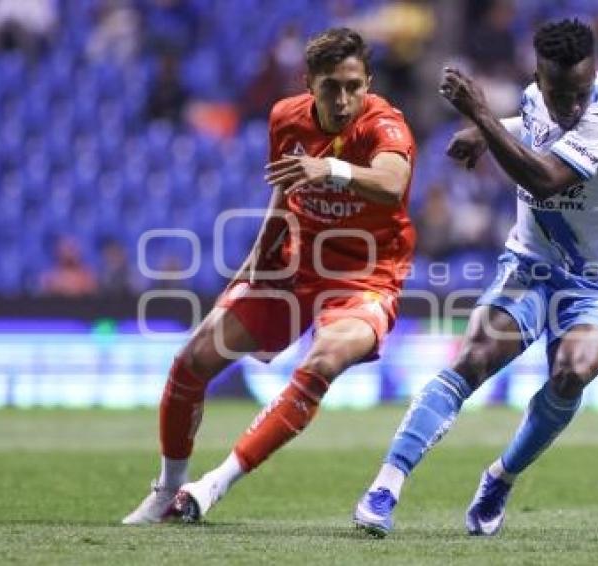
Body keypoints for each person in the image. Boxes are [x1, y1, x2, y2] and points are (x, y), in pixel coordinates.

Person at [354, 19, 598, 537]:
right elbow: (531, 120)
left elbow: (546, 179)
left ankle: (500, 478)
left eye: (580, 94)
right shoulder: (536, 98)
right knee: (475, 357)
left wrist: (479, 116)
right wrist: (490, 131)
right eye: (560, 94)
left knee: (571, 372)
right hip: (531, 265)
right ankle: (385, 486)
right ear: (538, 75)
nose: (570, 107)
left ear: (594, 76)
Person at [123, 27, 417, 524]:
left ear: (368, 82)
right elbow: (285, 191)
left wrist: (335, 171)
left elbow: (392, 183)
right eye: (331, 87)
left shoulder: (385, 126)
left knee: (322, 362)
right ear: (309, 84)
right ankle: (166, 491)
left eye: (354, 86)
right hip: (295, 264)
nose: (344, 100)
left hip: (366, 276)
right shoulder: (285, 117)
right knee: (192, 359)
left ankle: (213, 486)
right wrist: (256, 256)